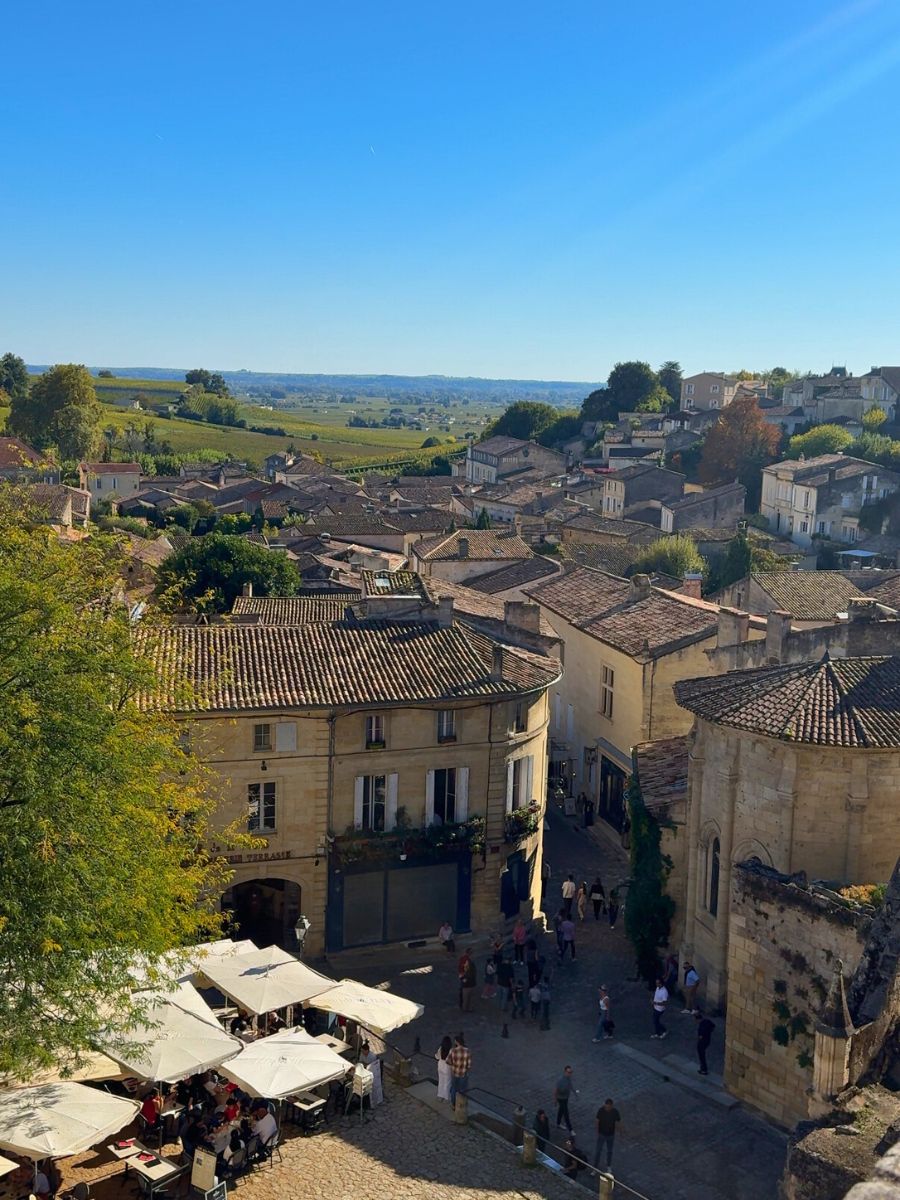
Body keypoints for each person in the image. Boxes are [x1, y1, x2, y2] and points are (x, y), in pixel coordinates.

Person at [594, 1098, 621, 1170]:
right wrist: (597, 1131)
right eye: (606, 1106)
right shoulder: (601, 1110)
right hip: (602, 1134)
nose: (607, 1108)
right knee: (598, 1151)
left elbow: (617, 1122)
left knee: (609, 1151)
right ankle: (595, 1166)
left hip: (610, 1135)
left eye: (609, 1107)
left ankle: (608, 1166)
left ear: (612, 1106)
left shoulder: (615, 1112)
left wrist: (619, 1131)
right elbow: (597, 1120)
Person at [447, 1034, 471, 1106]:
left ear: (457, 1042)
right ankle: (461, 1104)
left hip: (454, 1073)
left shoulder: (453, 1050)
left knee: (454, 1089)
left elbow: (448, 1061)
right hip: (463, 1073)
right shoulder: (467, 1051)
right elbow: (469, 1064)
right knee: (462, 1090)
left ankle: (454, 1104)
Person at [554, 1065, 576, 1132]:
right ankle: (570, 1129)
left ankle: (558, 1123)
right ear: (565, 1072)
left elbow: (570, 1085)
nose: (570, 1074)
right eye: (568, 1072)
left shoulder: (568, 1078)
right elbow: (555, 1090)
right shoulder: (560, 1080)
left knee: (561, 1110)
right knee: (566, 1113)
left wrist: (574, 1092)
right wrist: (555, 1100)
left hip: (566, 1098)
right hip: (560, 1098)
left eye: (571, 1072)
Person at [363, 1041, 384, 1105]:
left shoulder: (372, 1057)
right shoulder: (362, 1054)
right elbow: (361, 1060)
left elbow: (372, 1067)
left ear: (367, 1051)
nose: (362, 1052)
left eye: (363, 1051)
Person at [696, 1011, 715, 1075]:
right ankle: (703, 1069)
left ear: (698, 1019)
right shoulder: (707, 1021)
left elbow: (700, 1036)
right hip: (708, 1040)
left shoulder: (701, 1027)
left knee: (702, 1056)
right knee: (702, 1055)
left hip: (702, 1042)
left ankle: (704, 1070)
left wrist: (700, 1038)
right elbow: (713, 1026)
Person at [436, 1035, 453, 1101]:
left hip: (440, 1065)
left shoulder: (441, 1048)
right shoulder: (451, 1050)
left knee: (441, 1081)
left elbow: (437, 1056)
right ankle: (446, 1097)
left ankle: (440, 1095)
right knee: (447, 1082)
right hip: (447, 1066)